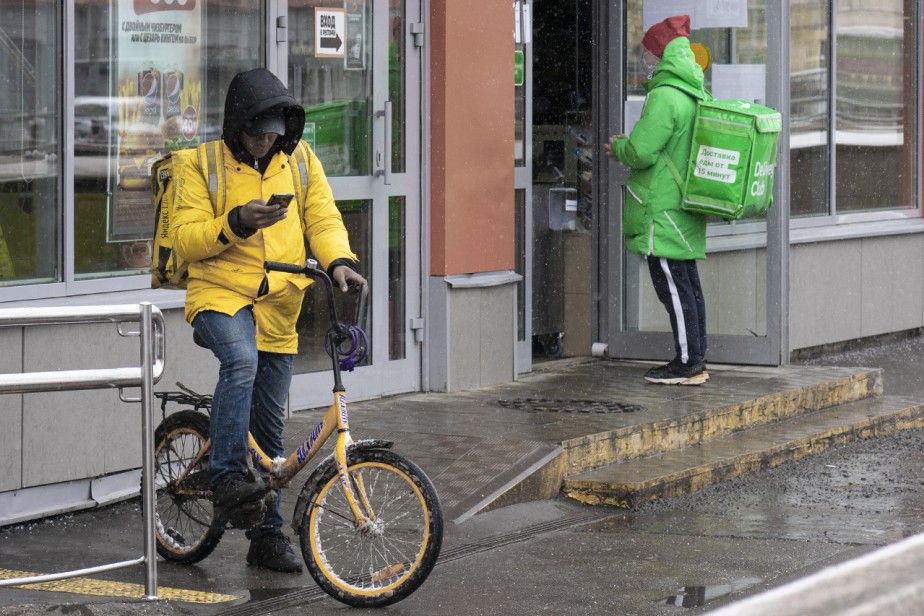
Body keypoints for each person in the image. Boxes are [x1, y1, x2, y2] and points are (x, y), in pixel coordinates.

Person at [171, 68, 366, 572]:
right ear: (236, 124)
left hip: (278, 303)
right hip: (219, 294)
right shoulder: (200, 165)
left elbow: (322, 217)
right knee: (239, 360)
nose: (263, 144)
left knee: (271, 432)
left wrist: (338, 260)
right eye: (255, 134)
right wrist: (236, 223)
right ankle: (226, 476)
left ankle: (266, 537)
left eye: (272, 136)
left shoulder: (299, 160)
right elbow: (185, 238)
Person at [604, 15, 711, 386]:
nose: (646, 59)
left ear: (660, 53)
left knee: (674, 288)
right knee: (687, 286)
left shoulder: (665, 95)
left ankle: (687, 363)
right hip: (682, 203)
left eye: (649, 53)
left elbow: (643, 152)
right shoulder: (694, 90)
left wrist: (620, 146)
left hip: (661, 206)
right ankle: (695, 356)